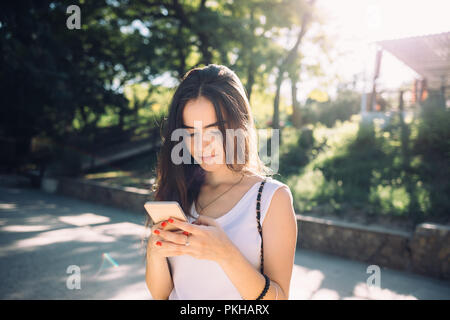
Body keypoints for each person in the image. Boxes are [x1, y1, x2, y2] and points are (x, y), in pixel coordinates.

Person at [145, 64, 297, 300]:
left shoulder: (270, 199)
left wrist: (224, 254)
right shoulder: (180, 189)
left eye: (213, 130)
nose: (202, 144)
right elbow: (161, 294)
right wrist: (155, 251)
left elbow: (279, 298)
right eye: (191, 133)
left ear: (240, 125)